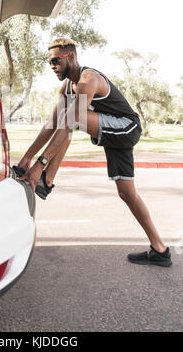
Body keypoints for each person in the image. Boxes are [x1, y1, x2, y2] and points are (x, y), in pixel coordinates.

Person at [16, 38, 172, 267]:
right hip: (112, 132)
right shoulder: (67, 87)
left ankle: (46, 179)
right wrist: (26, 159)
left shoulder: (89, 79)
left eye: (55, 61)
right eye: (49, 62)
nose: (52, 66)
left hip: (127, 127)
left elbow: (72, 120)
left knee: (71, 115)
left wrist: (39, 165)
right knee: (127, 193)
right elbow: (50, 125)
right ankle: (160, 250)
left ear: (70, 57)